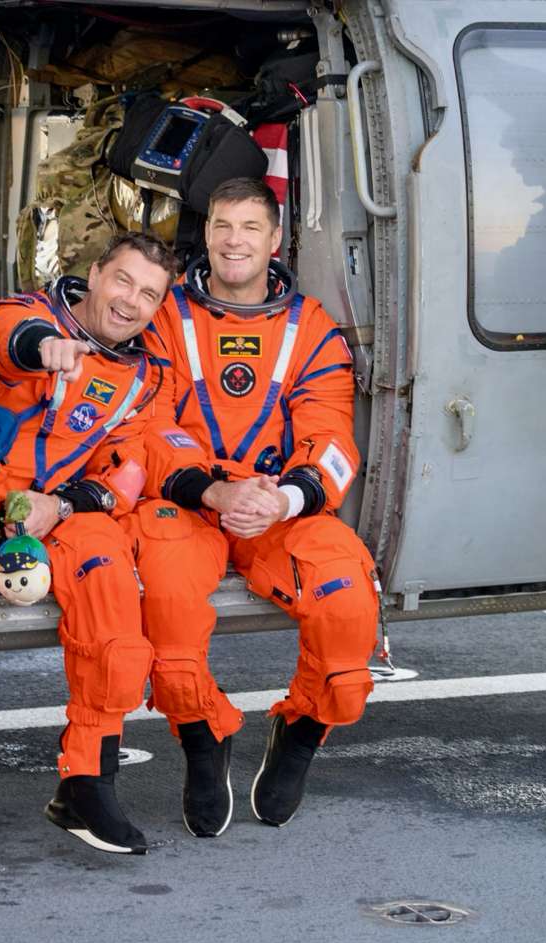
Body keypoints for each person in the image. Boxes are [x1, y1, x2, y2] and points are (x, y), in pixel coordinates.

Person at [0, 232, 236, 867]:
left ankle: (87, 781)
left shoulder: (147, 377)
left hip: (52, 510)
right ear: (95, 273)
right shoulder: (25, 316)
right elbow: (8, 343)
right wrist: (43, 351)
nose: (131, 301)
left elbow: (127, 470)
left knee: (110, 590)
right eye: (123, 281)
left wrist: (64, 507)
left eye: (149, 294)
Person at [146, 177, 379, 829]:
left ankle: (301, 733)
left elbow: (333, 442)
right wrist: (212, 488)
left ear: (276, 240)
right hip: (189, 501)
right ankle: (203, 737)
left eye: (250, 227)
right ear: (206, 234)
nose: (233, 240)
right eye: (222, 225)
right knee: (163, 610)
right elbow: (149, 424)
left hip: (279, 506)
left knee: (348, 601)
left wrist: (284, 499)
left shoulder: (313, 332)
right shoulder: (165, 318)